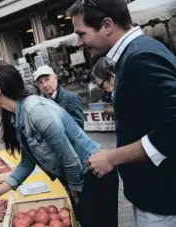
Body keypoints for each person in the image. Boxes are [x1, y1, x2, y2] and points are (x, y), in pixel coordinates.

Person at [68, 0, 176, 226]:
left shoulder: (140, 57)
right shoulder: (136, 52)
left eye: (82, 33)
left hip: (162, 200)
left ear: (107, 25)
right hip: (154, 196)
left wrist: (112, 158)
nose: (78, 42)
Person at [0, 61, 118, 227]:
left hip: (94, 175)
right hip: (82, 179)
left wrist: (75, 193)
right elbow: (27, 163)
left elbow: (69, 159)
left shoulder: (36, 111)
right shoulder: (18, 115)